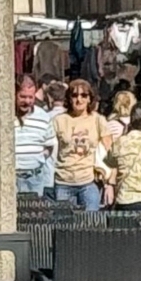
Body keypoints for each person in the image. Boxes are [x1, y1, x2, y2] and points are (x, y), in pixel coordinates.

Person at [51, 79, 108, 212]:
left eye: (84, 95)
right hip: (63, 182)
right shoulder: (59, 120)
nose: (79, 99)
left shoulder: (98, 120)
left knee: (91, 224)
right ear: (69, 98)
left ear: (90, 99)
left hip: (88, 182)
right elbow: (51, 150)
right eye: (74, 95)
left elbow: (108, 150)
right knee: (64, 226)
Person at [13, 75, 55, 196]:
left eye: (30, 97)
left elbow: (49, 146)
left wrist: (38, 159)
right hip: (12, 178)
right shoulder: (5, 116)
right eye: (22, 96)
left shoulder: (43, 116)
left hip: (35, 178)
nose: (27, 101)